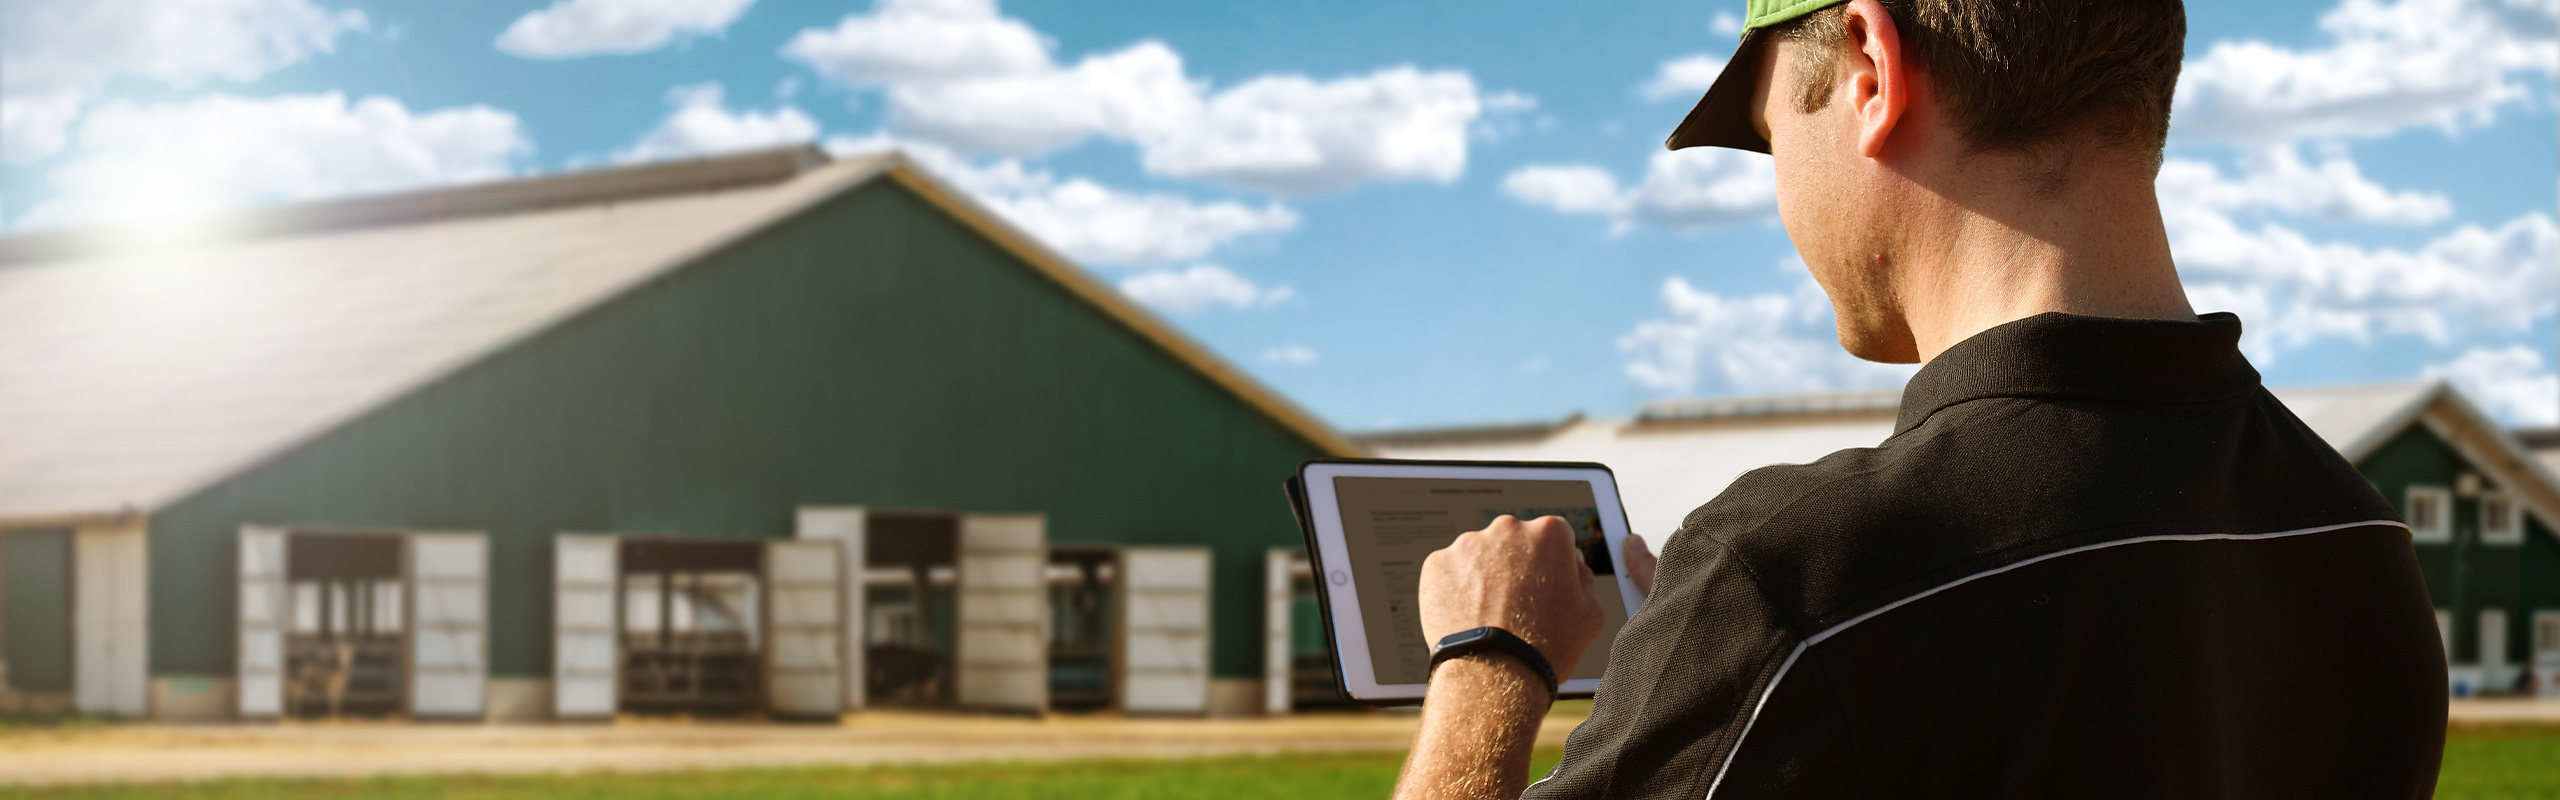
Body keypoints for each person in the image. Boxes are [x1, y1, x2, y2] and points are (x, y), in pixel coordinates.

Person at [1392, 1, 2449, 797]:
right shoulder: (2354, 528)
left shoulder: (1798, 574)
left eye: (1767, 135)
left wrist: (1491, 662)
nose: (1777, 191)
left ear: (1867, 66)